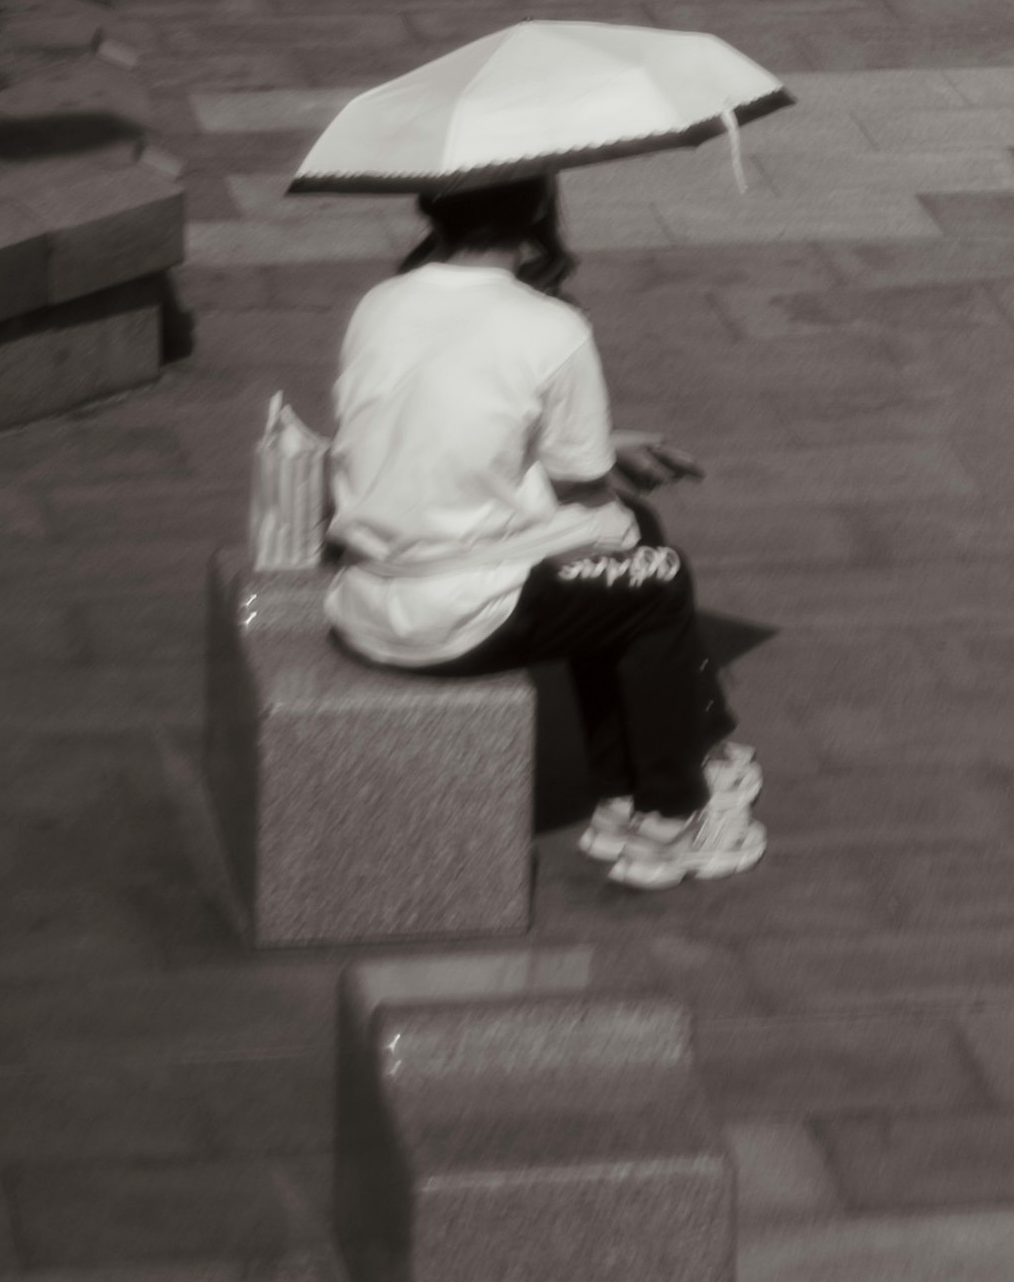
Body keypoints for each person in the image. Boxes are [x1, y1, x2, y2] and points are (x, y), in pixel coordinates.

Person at [324, 170, 761, 896]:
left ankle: (628, 791)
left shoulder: (383, 301)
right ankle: (672, 815)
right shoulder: (549, 326)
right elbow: (584, 478)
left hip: (367, 592)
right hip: (452, 617)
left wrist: (600, 449)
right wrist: (605, 457)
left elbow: (443, 420)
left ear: (430, 207)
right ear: (536, 210)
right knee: (652, 572)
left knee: (620, 562)